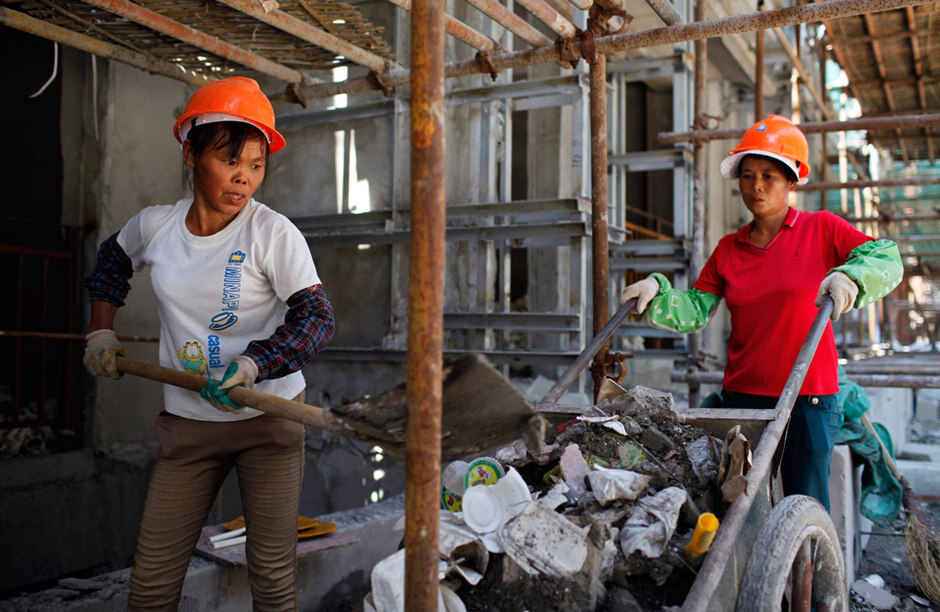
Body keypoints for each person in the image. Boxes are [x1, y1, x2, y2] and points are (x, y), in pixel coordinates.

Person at [82, 76, 335, 610]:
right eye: (229, 161)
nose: (243, 179)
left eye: (256, 165)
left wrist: (253, 365)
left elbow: (315, 318)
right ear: (191, 153)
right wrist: (100, 330)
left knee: (271, 576)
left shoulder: (273, 233)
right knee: (150, 583)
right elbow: (110, 264)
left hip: (269, 418)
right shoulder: (155, 227)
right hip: (189, 425)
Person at [620, 114, 902, 512]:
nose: (756, 185)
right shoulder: (728, 249)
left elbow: (886, 256)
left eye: (769, 175)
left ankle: (807, 576)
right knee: (740, 508)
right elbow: (696, 310)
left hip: (809, 398)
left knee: (805, 508)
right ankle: (754, 576)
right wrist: (657, 292)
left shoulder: (822, 229)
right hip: (744, 398)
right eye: (748, 174)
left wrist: (853, 277)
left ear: (792, 181)